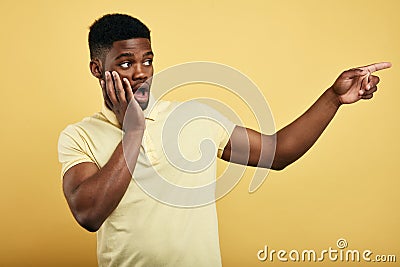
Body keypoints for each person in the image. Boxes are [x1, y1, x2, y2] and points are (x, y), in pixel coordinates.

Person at [58, 13, 391, 267]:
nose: (142, 72)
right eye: (126, 62)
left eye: (148, 60)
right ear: (97, 69)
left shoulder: (192, 119)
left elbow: (278, 154)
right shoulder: (80, 136)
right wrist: (134, 131)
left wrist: (333, 98)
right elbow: (88, 214)